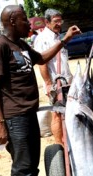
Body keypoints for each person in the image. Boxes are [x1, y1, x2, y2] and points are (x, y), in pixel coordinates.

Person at [0, 5, 81, 176]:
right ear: (11, 20)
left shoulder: (21, 44)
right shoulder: (0, 47)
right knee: (22, 169)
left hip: (28, 113)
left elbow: (41, 58)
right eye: (24, 19)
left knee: (31, 166)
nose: (29, 23)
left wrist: (65, 39)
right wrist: (0, 122)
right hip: (14, 118)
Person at [34, 8, 73, 144]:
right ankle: (59, 144)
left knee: (67, 112)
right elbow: (42, 63)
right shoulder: (42, 39)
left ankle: (66, 140)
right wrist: (48, 83)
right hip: (55, 85)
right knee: (56, 114)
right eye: (55, 21)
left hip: (65, 82)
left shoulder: (57, 37)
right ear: (47, 22)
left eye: (60, 21)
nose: (59, 24)